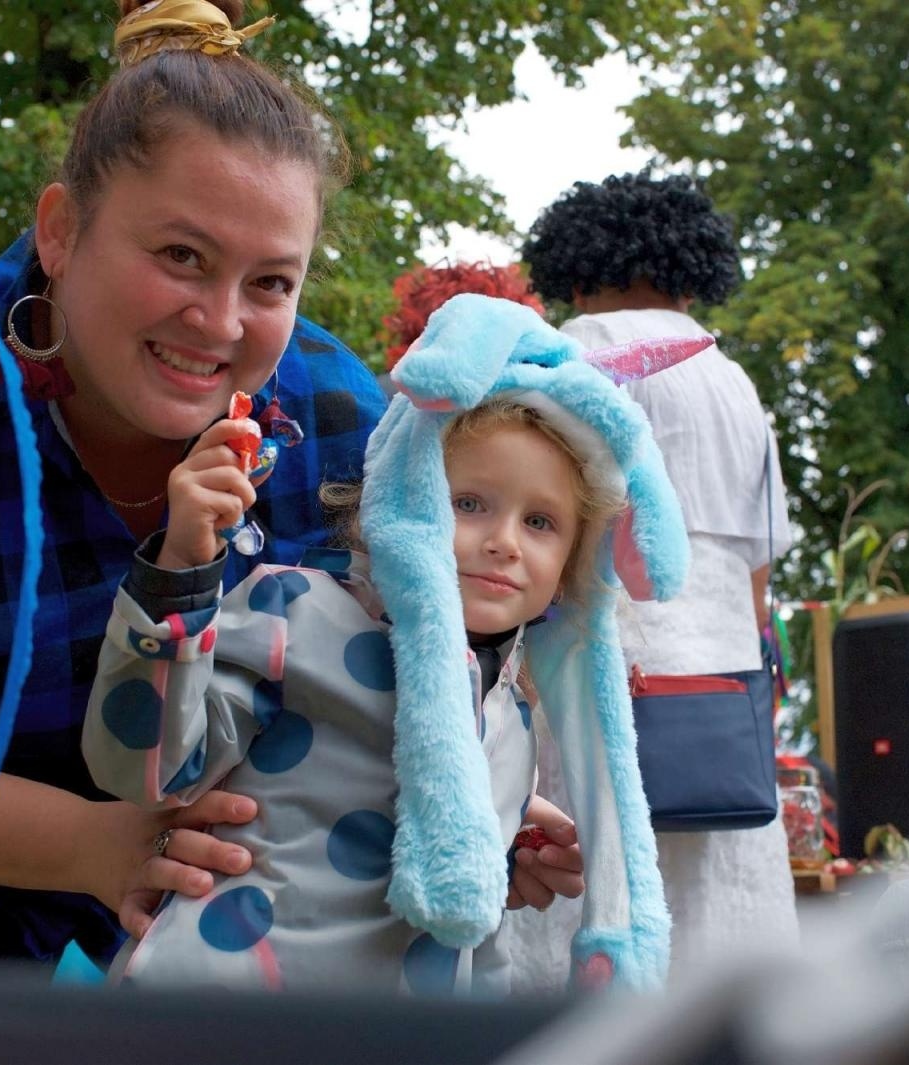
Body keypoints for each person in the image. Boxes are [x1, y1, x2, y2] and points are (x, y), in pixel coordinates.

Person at [0, 0, 576, 969]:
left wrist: (475, 796)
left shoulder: (337, 419)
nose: (221, 321)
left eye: (270, 283)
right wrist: (89, 844)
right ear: (61, 231)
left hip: (244, 894)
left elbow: (394, 667)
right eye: (181, 257)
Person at [83, 294, 691, 991]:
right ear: (406, 495)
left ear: (573, 563)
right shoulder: (297, 612)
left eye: (541, 522)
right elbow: (147, 769)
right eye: (469, 503)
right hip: (226, 1009)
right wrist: (179, 576)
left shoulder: (512, 702)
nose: (505, 542)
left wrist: (509, 842)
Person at [506, 173, 800, 985]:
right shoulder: (734, 380)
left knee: (595, 890)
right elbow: (759, 565)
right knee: (719, 914)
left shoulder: (575, 353)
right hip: (722, 691)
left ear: (578, 269)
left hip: (601, 661)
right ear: (689, 272)